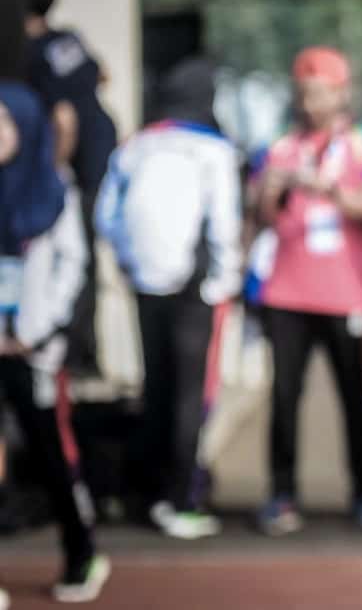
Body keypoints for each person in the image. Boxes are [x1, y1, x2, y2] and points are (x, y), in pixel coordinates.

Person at [95, 58, 242, 539]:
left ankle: (148, 494)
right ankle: (180, 499)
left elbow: (106, 216)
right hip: (194, 291)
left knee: (154, 387)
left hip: (146, 286)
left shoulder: (135, 145)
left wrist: (130, 265)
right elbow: (224, 223)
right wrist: (222, 283)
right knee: (188, 396)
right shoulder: (214, 150)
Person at [254, 46, 362, 536]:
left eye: (320, 92)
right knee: (284, 398)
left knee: (354, 399)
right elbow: (261, 213)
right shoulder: (278, 145)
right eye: (304, 92)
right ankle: (282, 494)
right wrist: (271, 189)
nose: (311, 101)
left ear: (341, 92)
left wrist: (324, 185)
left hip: (345, 294)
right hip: (286, 292)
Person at [0, 83, 110, 603]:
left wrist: (40, 330)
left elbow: (73, 266)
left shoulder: (53, 188)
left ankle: (81, 553)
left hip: (34, 349)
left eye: (3, 122)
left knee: (50, 454)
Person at [23, 0, 117, 377]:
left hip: (79, 163)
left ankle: (75, 353)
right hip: (100, 153)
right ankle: (84, 351)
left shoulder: (33, 52)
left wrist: (55, 171)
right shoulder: (66, 40)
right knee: (87, 257)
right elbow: (102, 74)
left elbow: (64, 119)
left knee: (73, 255)